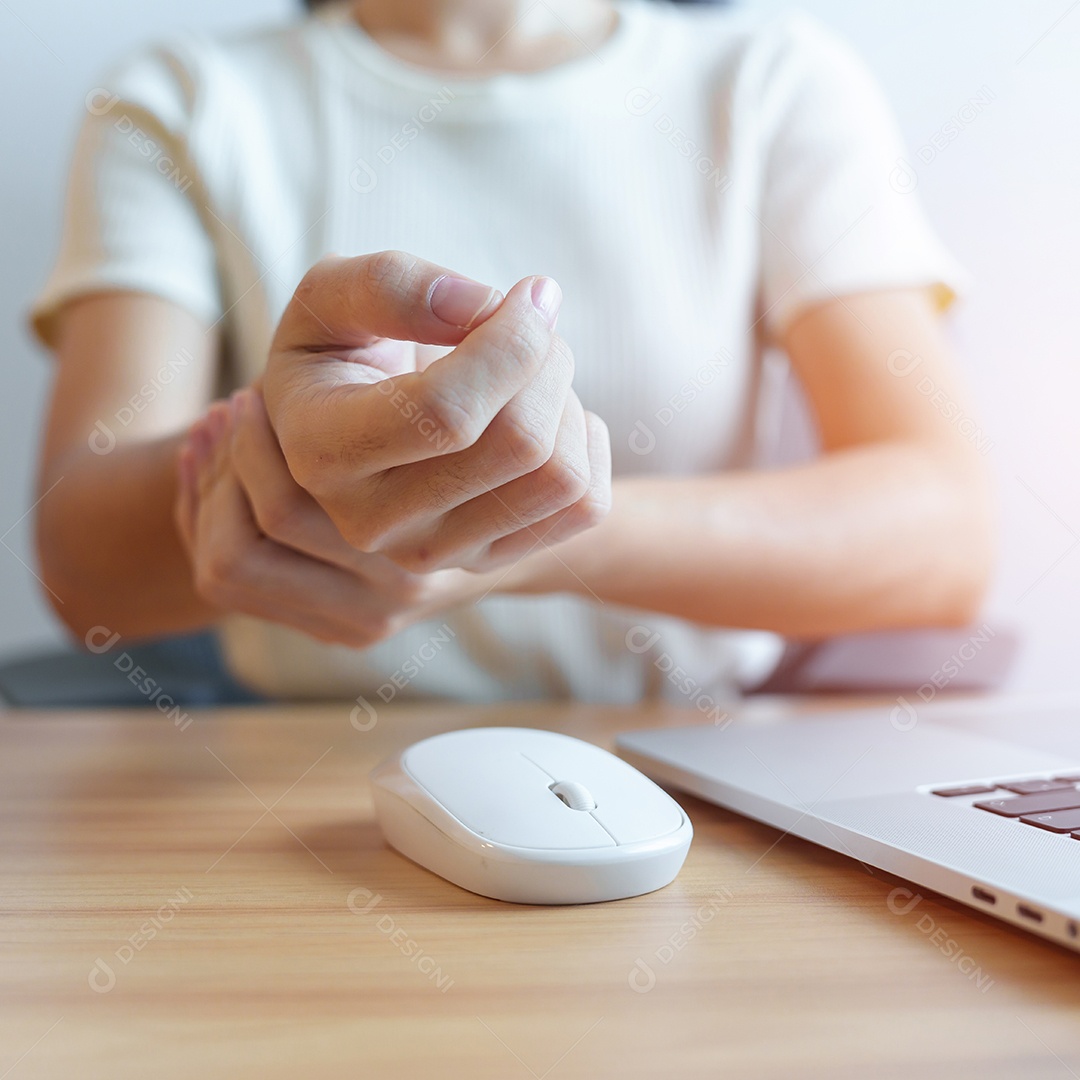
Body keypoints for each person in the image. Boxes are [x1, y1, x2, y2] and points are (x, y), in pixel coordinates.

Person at [29, 0, 994, 703]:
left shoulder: (772, 80)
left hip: (702, 772)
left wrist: (519, 542)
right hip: (297, 776)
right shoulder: (185, 97)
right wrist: (282, 455)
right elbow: (83, 563)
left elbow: (945, 531)